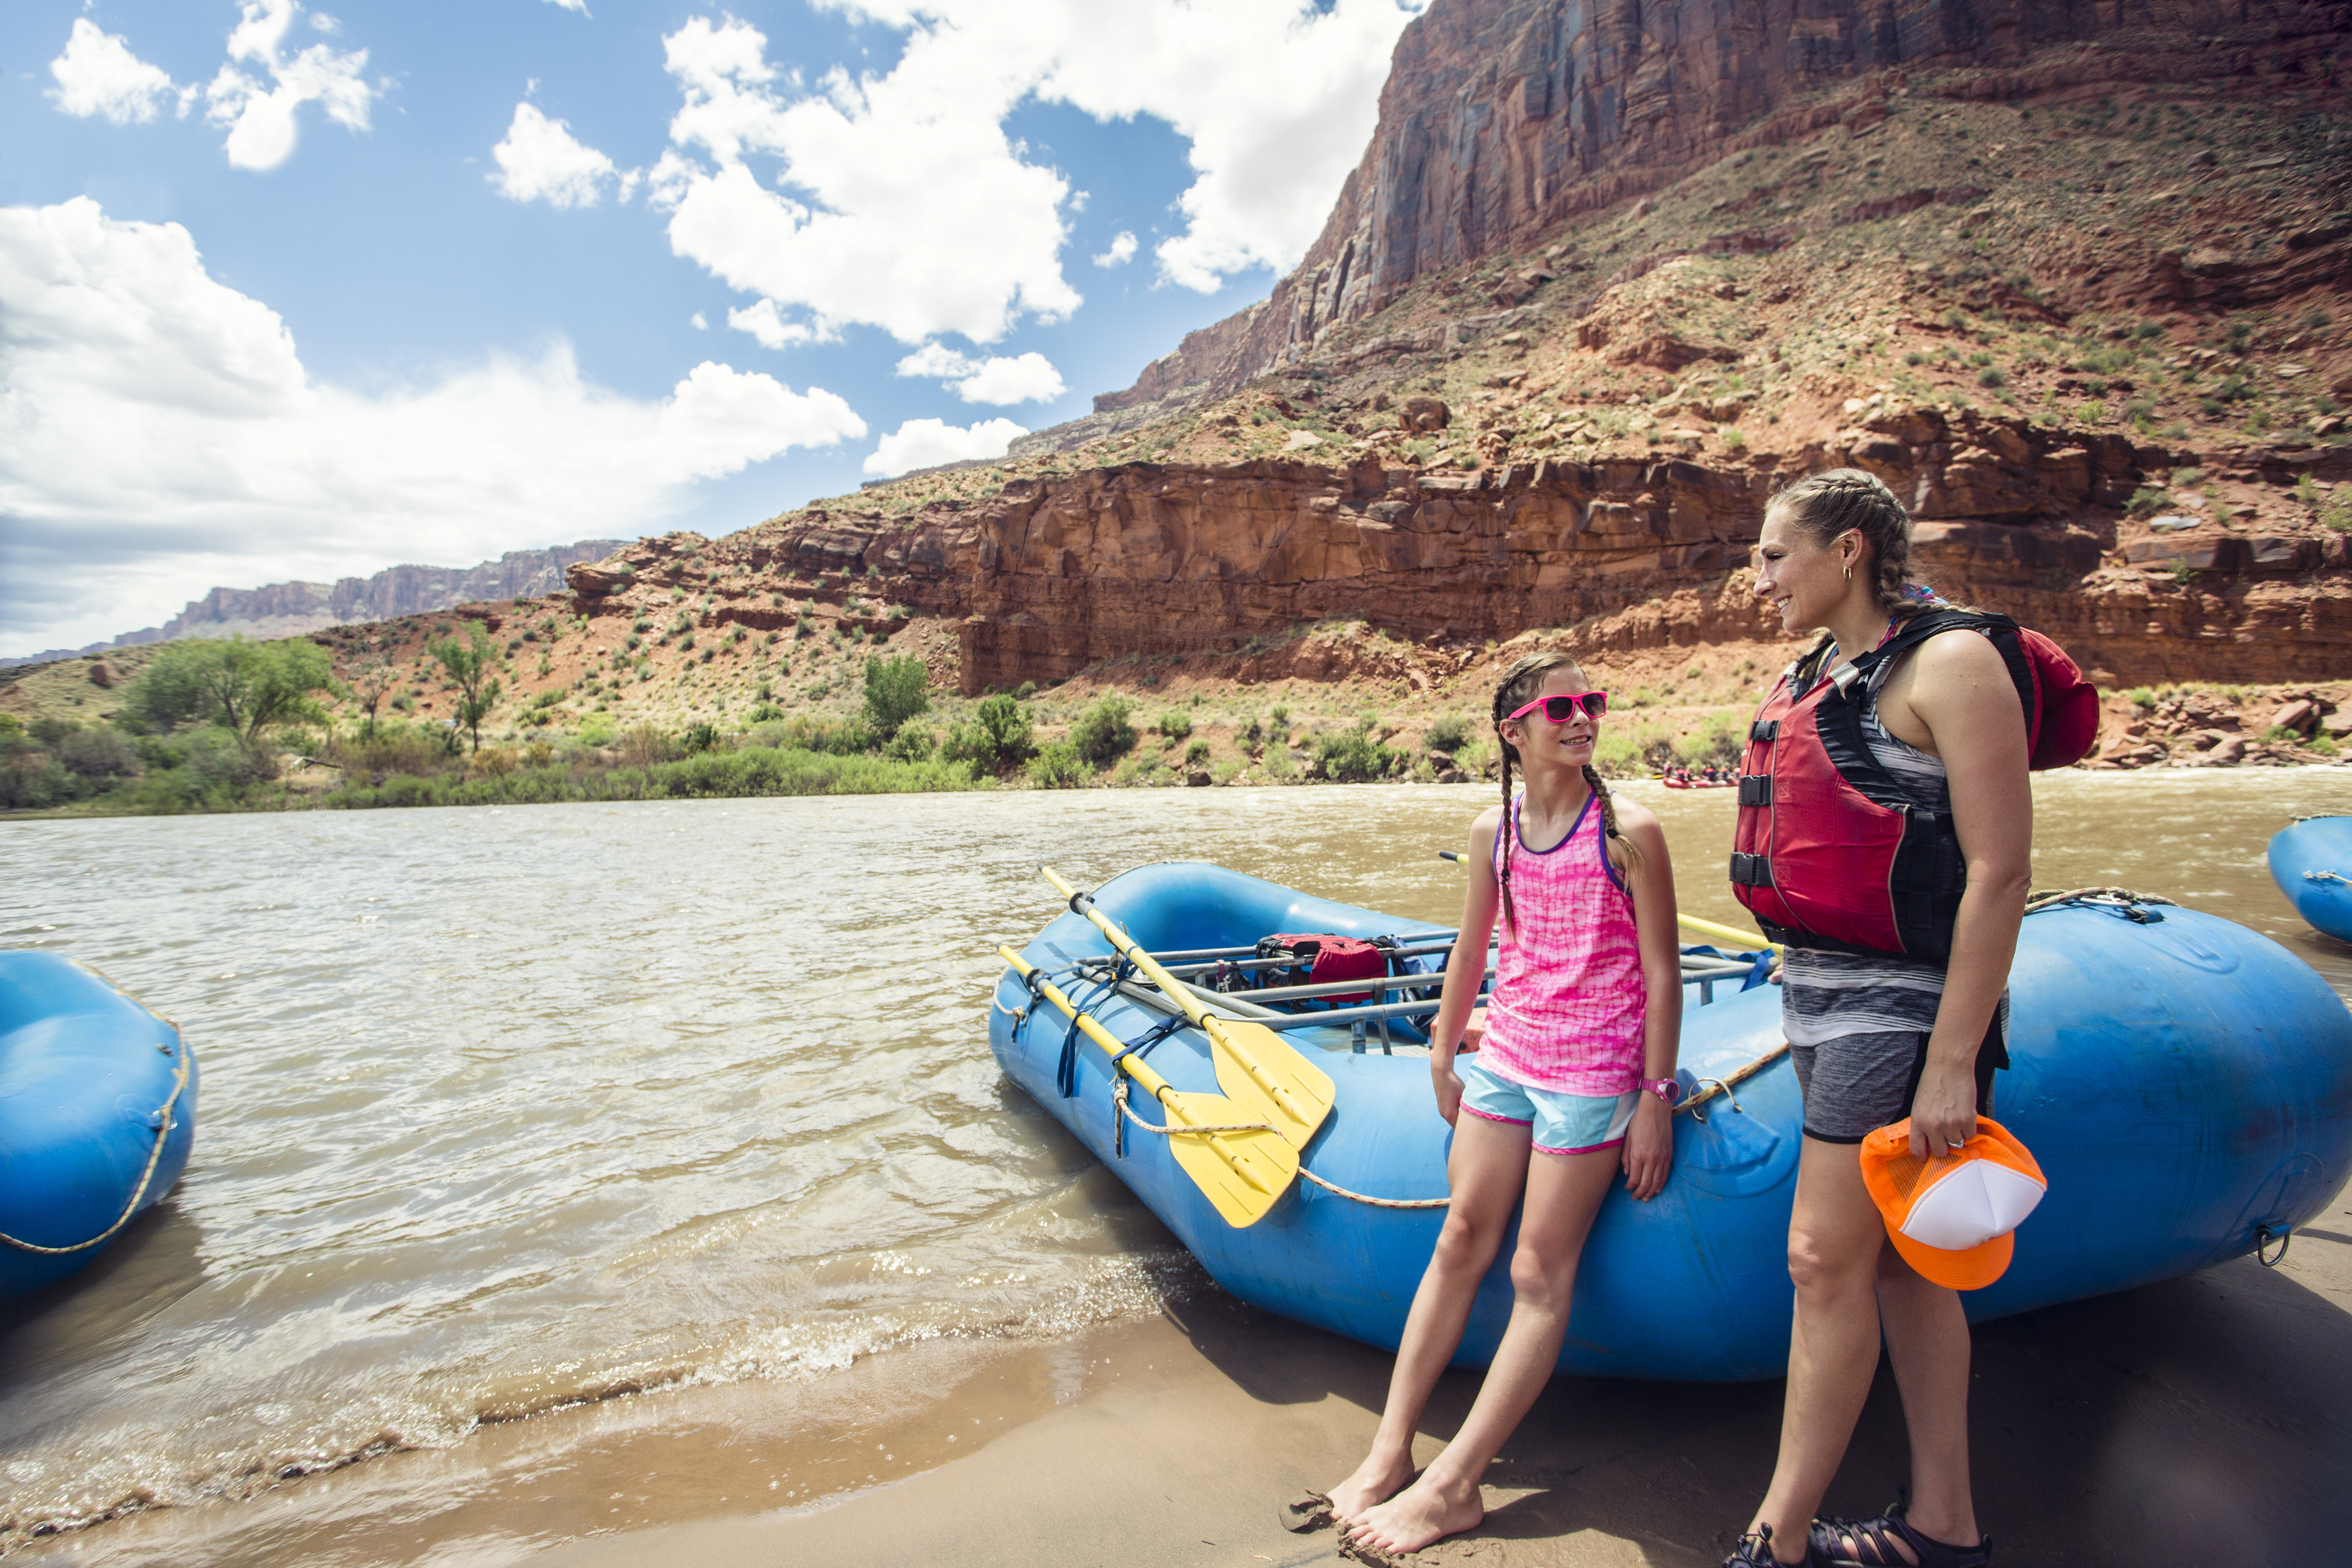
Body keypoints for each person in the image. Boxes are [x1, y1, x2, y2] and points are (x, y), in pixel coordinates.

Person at [1724, 469, 2029, 1568]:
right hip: (1817, 990)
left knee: (1820, 1256)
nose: (1758, 579)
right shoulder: (1817, 669)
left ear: (1849, 550)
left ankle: (1780, 1535)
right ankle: (1945, 1519)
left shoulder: (1951, 664)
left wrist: (1953, 1062)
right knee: (1901, 1261)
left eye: (1773, 555)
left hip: (1898, 1008)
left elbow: (2000, 873)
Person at [1322, 650, 1684, 1557]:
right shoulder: (1498, 830)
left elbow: (1663, 971)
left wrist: (1654, 1098)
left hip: (1594, 1073)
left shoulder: (1629, 829)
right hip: (1509, 1056)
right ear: (1511, 730)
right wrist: (1444, 1053)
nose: (1582, 716)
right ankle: (1388, 1454)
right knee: (1458, 1239)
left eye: (1592, 702)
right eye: (1560, 705)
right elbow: (1470, 948)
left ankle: (1455, 1485)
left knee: (1535, 1271)